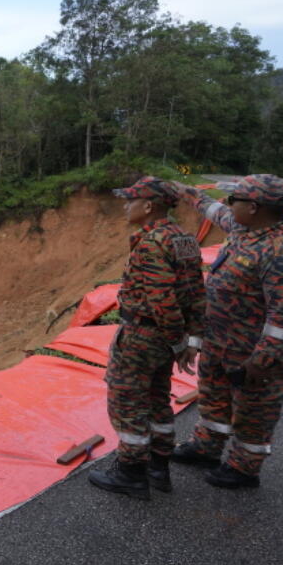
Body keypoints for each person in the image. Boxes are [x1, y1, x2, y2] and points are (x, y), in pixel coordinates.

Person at [165, 174, 283, 488]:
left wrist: (260, 362)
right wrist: (185, 192)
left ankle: (244, 467)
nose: (228, 206)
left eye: (235, 201)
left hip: (251, 353)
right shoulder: (244, 226)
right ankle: (207, 447)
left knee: (253, 410)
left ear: (254, 207)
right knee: (214, 397)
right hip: (219, 341)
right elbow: (211, 209)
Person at [89, 177, 205, 500]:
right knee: (157, 399)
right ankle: (158, 467)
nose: (126, 206)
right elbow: (197, 292)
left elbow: (162, 299)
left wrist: (178, 342)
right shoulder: (185, 239)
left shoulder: (152, 243)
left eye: (131, 200)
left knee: (127, 401)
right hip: (167, 338)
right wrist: (190, 339)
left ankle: (130, 472)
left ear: (149, 206)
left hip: (143, 335)